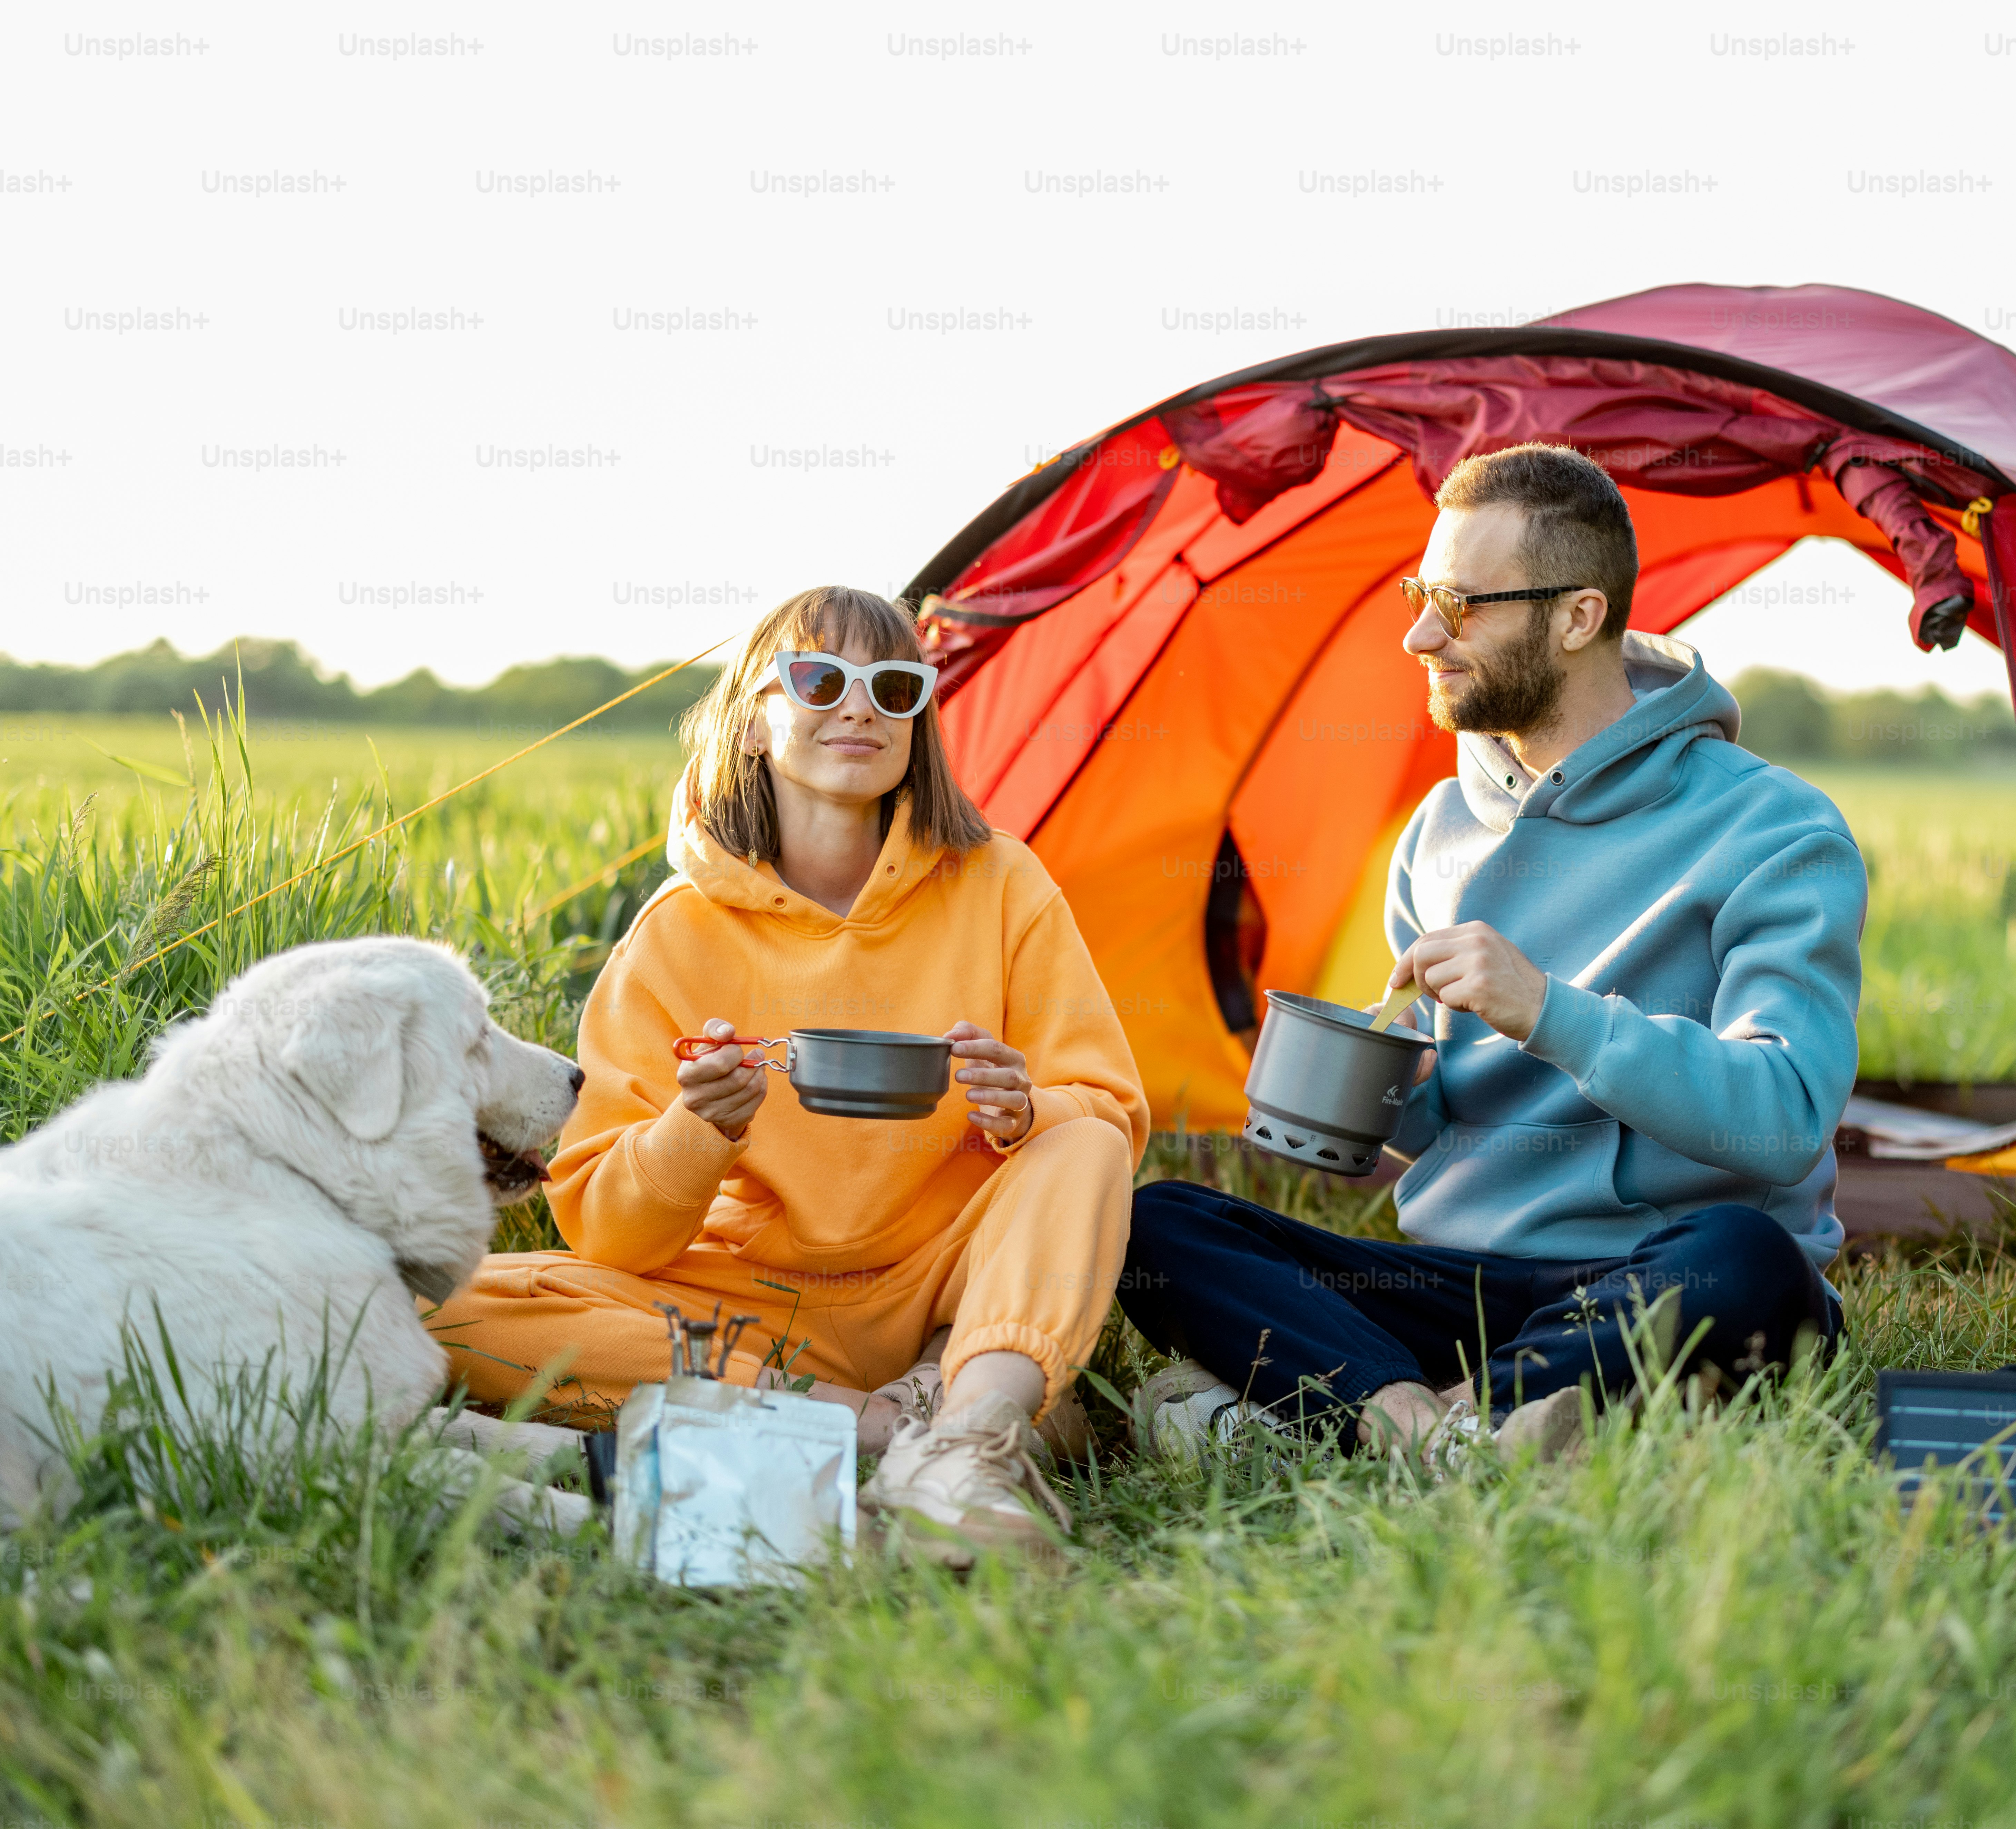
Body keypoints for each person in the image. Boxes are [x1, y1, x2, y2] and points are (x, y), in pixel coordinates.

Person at [1119, 444, 1863, 1461]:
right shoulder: (1437, 829)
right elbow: (1438, 1124)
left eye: (1462, 605)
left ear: (1576, 617)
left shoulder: (1773, 829)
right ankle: (1438, 1427)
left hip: (1657, 1272)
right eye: (1421, 594)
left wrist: (1546, 1011)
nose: (1421, 634)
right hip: (1464, 1281)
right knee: (1158, 1225)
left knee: (1751, 1261)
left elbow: (1782, 1120)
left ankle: (1362, 1412)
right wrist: (1382, 1091)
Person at [431, 586, 1145, 1563]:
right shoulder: (675, 937)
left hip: (945, 1281)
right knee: (433, 1302)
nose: (860, 708)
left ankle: (969, 1434)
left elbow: (1105, 1107)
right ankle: (898, 1425)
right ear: (755, 719)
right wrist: (697, 1131)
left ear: (918, 722)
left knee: (1084, 1139)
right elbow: (604, 1231)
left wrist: (1025, 1109)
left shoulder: (1002, 883)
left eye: (894, 688)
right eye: (821, 679)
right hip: (744, 1309)